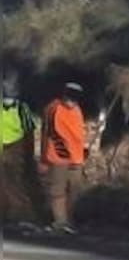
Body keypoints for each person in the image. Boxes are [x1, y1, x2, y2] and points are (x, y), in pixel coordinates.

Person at [41, 82, 87, 234]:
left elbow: (78, 135)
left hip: (76, 158)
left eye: (75, 99)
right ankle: (60, 222)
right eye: (70, 97)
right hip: (59, 157)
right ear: (64, 95)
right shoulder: (53, 109)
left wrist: (82, 151)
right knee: (58, 191)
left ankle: (71, 222)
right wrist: (45, 158)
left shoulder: (77, 110)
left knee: (75, 190)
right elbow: (50, 134)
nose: (72, 101)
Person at [0, 76, 38, 223]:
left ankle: (20, 215)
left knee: (14, 182)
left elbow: (29, 131)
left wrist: (28, 153)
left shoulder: (21, 108)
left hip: (15, 148)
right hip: (6, 147)